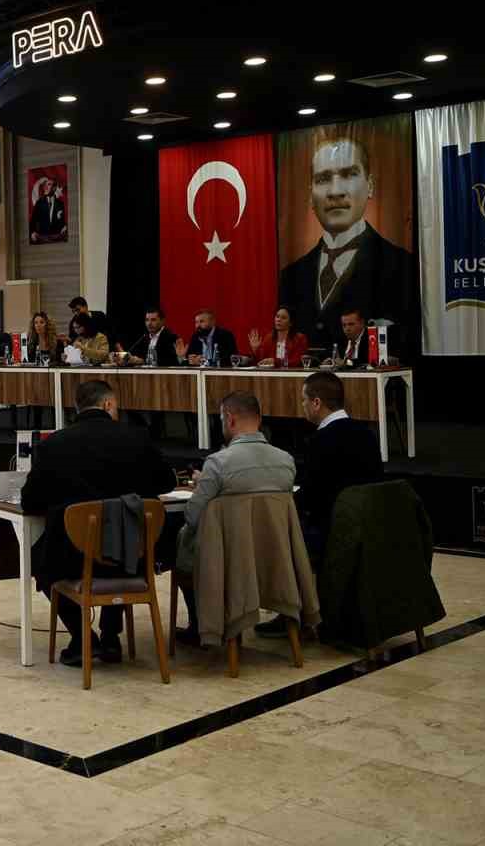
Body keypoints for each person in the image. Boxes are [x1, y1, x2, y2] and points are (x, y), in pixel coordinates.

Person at [20, 381, 177, 666]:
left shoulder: (54, 445)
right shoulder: (138, 438)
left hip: (73, 556)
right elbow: (166, 482)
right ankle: (111, 636)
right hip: (133, 555)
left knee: (38, 560)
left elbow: (30, 502)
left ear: (77, 407)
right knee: (121, 537)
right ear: (108, 404)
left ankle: (82, 637)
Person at [278, 136, 419, 356]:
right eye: (323, 179)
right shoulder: (291, 274)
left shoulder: (401, 264)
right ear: (310, 195)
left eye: (349, 174)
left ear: (370, 186)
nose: (335, 191)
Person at [175, 390, 297, 639]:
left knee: (183, 540)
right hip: (274, 556)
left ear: (229, 419)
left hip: (228, 560)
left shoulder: (217, 463)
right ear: (259, 419)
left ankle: (200, 626)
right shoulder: (286, 461)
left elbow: (193, 516)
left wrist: (203, 486)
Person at [293, 371, 383, 563]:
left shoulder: (320, 440)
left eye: (304, 400)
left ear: (316, 403)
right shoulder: (367, 434)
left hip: (332, 532)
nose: (302, 405)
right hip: (370, 526)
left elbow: (311, 497)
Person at [30, 177, 66, 243]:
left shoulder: (60, 204)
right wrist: (32, 232)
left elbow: (63, 222)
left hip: (56, 238)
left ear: (54, 188)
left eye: (49, 184)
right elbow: (33, 221)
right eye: (45, 185)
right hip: (42, 238)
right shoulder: (39, 203)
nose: (45, 187)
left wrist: (64, 228)